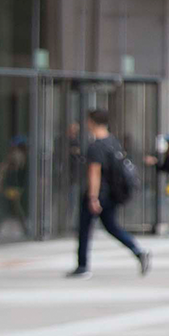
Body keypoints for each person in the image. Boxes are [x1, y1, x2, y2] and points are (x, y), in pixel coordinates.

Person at [68, 109, 149, 279]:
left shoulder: (96, 146)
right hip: (111, 194)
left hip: (98, 194)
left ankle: (82, 266)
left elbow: (94, 173)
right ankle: (138, 251)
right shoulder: (113, 142)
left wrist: (93, 197)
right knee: (111, 226)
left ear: (92, 122)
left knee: (84, 229)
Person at [0, 136, 31, 238]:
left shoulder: (16, 156)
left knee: (13, 209)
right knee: (12, 208)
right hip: (11, 187)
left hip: (12, 187)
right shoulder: (17, 156)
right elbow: (11, 173)